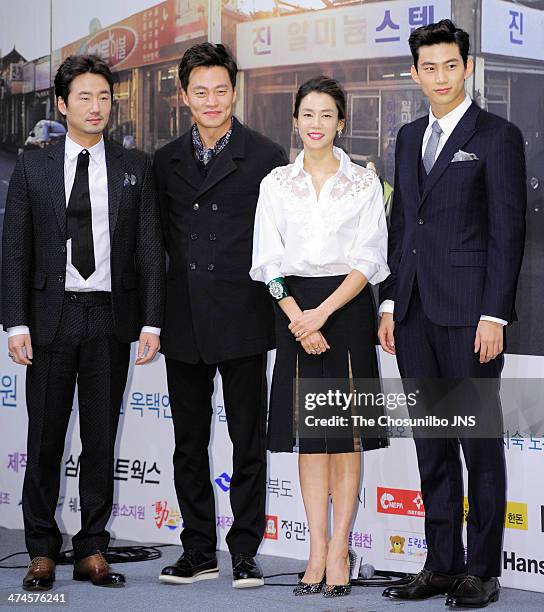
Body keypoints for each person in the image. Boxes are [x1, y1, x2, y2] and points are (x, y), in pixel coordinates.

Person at [1, 55, 165, 591]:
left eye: (104, 98)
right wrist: (14, 323)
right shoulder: (34, 166)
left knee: (99, 440)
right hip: (50, 319)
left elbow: (148, 250)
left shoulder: (133, 166)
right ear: (63, 105)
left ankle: (93, 548)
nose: (97, 108)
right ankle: (42, 550)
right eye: (85, 98)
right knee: (45, 440)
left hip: (110, 319)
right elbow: (15, 251)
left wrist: (152, 322)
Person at [378, 20, 526, 608]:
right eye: (428, 67)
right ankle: (441, 564)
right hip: (412, 313)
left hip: (470, 317)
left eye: (449, 64)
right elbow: (402, 225)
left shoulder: (497, 135)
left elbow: (508, 231)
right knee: (430, 444)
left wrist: (495, 314)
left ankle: (482, 570)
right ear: (415, 73)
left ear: (467, 66)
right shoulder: (409, 135)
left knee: (476, 443)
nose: (439, 76)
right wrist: (389, 301)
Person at [153, 43, 287, 589]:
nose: (212, 101)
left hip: (243, 315)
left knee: (247, 441)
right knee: (188, 442)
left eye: (221, 90)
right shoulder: (164, 161)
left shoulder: (266, 156)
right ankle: (198, 550)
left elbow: (280, 244)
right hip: (182, 316)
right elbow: (153, 241)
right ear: (184, 95)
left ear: (237, 89)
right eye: (200, 91)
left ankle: (246, 551)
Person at [250, 76, 389, 598]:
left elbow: (369, 258)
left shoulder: (363, 183)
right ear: (295, 120)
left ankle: (340, 551)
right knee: (311, 441)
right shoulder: (275, 183)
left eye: (327, 115)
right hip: (292, 312)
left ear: (341, 122)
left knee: (344, 440)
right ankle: (314, 549)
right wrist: (298, 317)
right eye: (307, 114)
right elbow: (267, 261)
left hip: (346, 311)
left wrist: (322, 314)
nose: (316, 124)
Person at [365, 155, 394, 221]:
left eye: (370, 170)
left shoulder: (390, 192)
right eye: (366, 170)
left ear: (378, 173)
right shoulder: (362, 189)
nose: (367, 173)